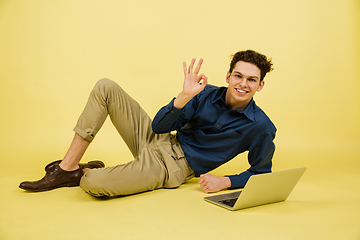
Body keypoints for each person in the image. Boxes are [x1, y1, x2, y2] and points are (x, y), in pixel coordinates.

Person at [19, 49, 276, 197]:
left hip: (172, 166)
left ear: (261, 85)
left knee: (93, 184)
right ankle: (68, 167)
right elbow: (158, 128)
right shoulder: (205, 93)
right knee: (105, 86)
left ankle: (84, 173)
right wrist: (183, 97)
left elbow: (261, 172)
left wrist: (227, 181)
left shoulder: (261, 126)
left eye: (251, 80)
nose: (243, 84)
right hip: (160, 140)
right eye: (238, 76)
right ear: (228, 76)